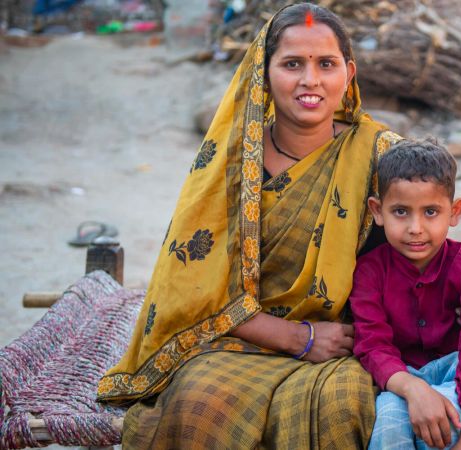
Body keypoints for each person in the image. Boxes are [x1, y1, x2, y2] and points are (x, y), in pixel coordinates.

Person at [96, 4, 402, 448]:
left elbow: (413, 266)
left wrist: (352, 339)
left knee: (343, 405)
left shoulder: (379, 156)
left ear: (349, 73)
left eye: (326, 64)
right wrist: (296, 337)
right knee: (201, 405)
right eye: (292, 64)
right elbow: (191, 287)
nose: (310, 81)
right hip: (236, 342)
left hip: (345, 347)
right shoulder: (231, 165)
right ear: (264, 71)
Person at [350, 138, 461, 450]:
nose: (416, 228)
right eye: (401, 212)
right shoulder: (368, 271)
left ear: (455, 211)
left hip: (457, 371)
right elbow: (372, 345)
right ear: (377, 212)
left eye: (431, 212)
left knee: (447, 421)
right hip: (399, 377)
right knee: (390, 422)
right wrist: (413, 389)